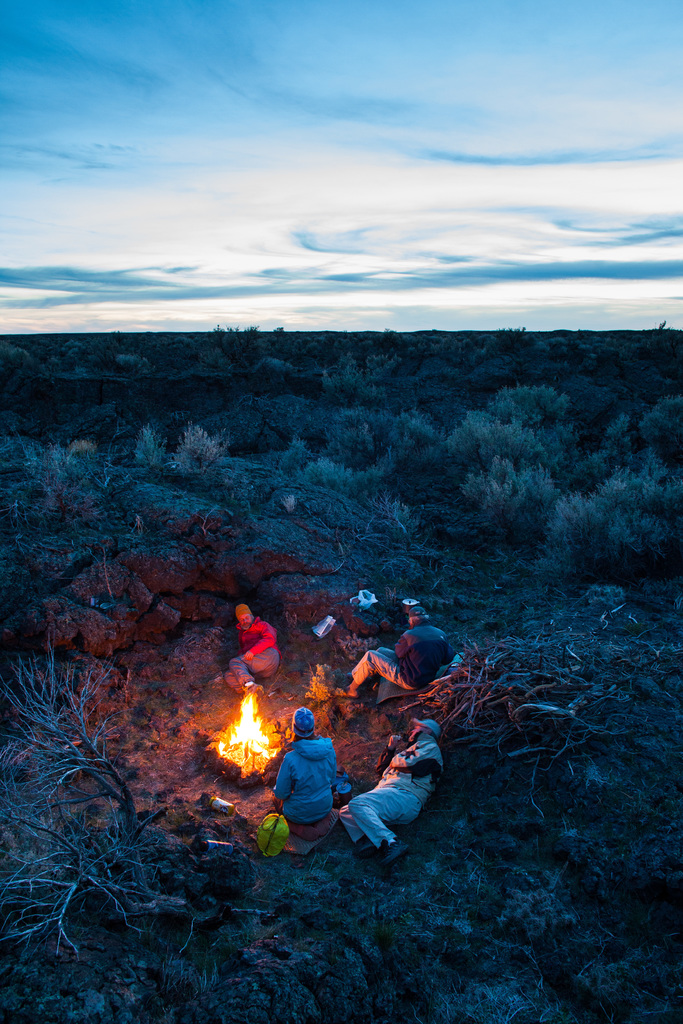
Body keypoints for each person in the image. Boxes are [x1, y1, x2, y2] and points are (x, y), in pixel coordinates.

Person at [339, 718, 443, 866]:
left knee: (357, 804)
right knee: (345, 811)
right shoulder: (413, 748)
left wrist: (396, 758)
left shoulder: (430, 747)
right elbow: (382, 770)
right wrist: (391, 749)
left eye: (416, 728)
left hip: (406, 795)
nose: (412, 730)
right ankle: (370, 839)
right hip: (392, 794)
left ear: (427, 731)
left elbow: (411, 765)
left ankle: (391, 842)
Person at [345, 606, 454, 698]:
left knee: (371, 656)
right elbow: (448, 658)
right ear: (427, 618)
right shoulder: (441, 634)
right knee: (380, 650)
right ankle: (358, 675)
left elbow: (398, 653)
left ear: (411, 621)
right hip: (427, 675)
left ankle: (352, 690)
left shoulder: (409, 635)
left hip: (410, 680)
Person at [272, 707, 337, 826]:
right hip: (325, 807)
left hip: (299, 815)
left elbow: (281, 793)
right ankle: (322, 823)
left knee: (275, 797)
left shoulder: (290, 759)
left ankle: (296, 829)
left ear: (293, 728)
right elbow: (332, 780)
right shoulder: (329, 749)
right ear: (313, 728)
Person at [222, 603, 280, 692]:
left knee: (234, 662)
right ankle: (252, 692)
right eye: (242, 620)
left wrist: (253, 651)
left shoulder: (262, 625)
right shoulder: (242, 634)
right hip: (257, 669)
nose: (245, 621)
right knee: (229, 675)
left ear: (252, 616)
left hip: (268, 656)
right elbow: (244, 653)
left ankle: (249, 685)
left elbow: (270, 639)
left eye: (246, 618)